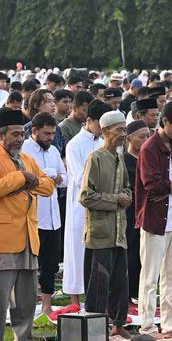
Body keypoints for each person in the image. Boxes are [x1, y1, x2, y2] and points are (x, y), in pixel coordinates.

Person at [0, 107, 55, 341]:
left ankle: (24, 338)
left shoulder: (28, 158)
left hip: (28, 235)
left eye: (22, 134)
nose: (20, 139)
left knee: (26, 292)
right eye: (14, 134)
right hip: (3, 234)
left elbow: (48, 186)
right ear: (1, 135)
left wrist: (28, 178)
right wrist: (22, 178)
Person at [135, 101, 172, 337]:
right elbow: (153, 184)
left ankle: (170, 322)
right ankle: (147, 323)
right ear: (165, 121)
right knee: (150, 275)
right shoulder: (149, 148)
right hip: (153, 217)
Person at [79, 110, 133, 338]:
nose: (123, 135)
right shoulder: (96, 158)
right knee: (99, 285)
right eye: (119, 130)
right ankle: (95, 329)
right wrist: (115, 200)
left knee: (120, 282)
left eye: (124, 130)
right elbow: (85, 196)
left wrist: (127, 196)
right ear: (105, 132)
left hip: (119, 231)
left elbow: (127, 187)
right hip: (100, 233)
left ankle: (118, 325)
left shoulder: (120, 158)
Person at [63, 101, 111, 314]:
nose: (103, 130)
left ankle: (98, 295)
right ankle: (74, 298)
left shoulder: (104, 142)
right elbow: (79, 177)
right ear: (89, 120)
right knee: (77, 251)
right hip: (80, 206)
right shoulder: (74, 144)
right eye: (100, 125)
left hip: (103, 203)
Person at [21, 112, 66, 319]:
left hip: (53, 216)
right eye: (46, 134)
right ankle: (26, 306)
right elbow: (27, 181)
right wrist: (46, 178)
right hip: (33, 216)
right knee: (30, 265)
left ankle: (47, 306)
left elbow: (64, 178)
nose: (50, 138)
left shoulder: (54, 150)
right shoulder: (24, 151)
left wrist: (54, 177)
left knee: (50, 264)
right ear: (34, 131)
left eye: (53, 133)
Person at [122, 120, 148, 297]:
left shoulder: (149, 159)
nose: (146, 140)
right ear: (129, 139)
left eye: (148, 136)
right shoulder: (124, 160)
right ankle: (131, 290)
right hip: (131, 211)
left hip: (149, 210)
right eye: (141, 137)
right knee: (132, 249)